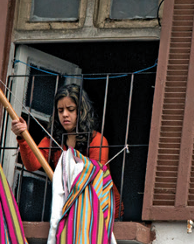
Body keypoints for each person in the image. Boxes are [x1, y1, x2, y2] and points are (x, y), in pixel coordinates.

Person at [11, 84, 123, 217]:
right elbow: (32, 164)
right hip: (74, 209)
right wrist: (23, 137)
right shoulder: (54, 140)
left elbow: (94, 177)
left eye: (70, 109)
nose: (64, 114)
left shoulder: (97, 140)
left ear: (81, 112)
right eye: (60, 110)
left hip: (105, 210)